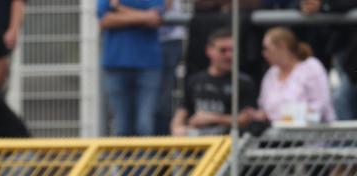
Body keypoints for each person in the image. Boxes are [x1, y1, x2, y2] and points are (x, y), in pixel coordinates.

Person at [171, 29, 259, 136]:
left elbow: (245, 119)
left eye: (232, 50)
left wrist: (212, 118)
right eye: (223, 50)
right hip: (197, 143)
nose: (229, 55)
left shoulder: (243, 82)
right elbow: (181, 112)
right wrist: (177, 128)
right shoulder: (195, 81)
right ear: (209, 50)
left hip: (226, 143)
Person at [97, 0, 164, 136]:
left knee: (145, 123)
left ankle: (145, 157)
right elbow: (105, 20)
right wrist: (143, 16)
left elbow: (155, 19)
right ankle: (124, 157)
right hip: (116, 65)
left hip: (148, 65)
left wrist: (119, 8)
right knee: (121, 124)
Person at [252, 27, 335, 124]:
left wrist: (296, 113)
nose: (264, 54)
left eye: (267, 49)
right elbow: (264, 107)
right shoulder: (271, 74)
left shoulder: (311, 67)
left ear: (282, 46)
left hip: (312, 134)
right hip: (276, 136)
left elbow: (321, 105)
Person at [155, 0, 189, 135]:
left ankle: (162, 145)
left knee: (162, 101)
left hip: (168, 40)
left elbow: (162, 8)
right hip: (139, 43)